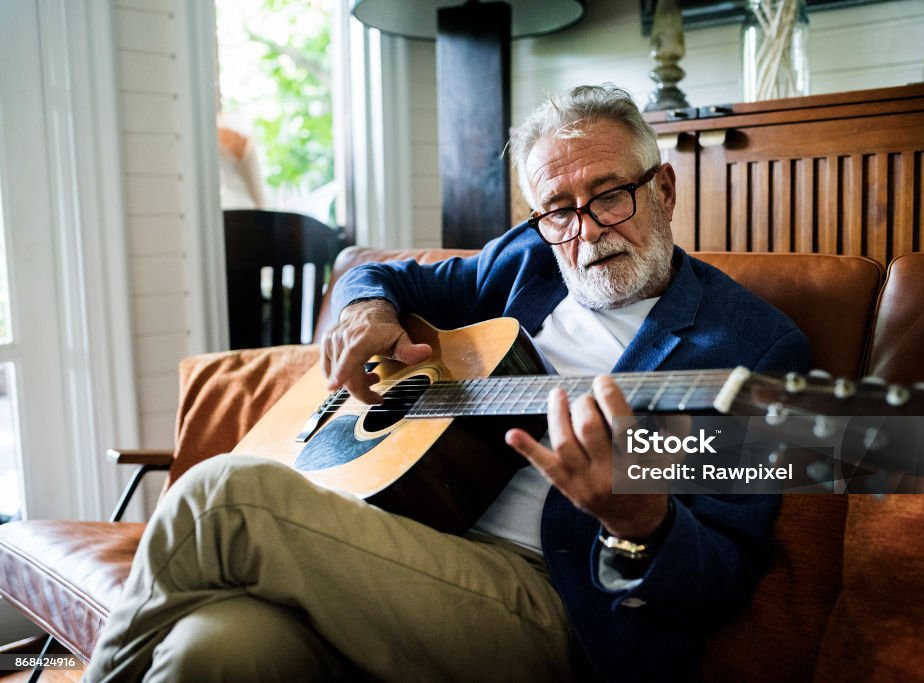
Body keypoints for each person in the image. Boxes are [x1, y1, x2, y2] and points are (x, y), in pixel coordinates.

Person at [84, 84, 809, 682]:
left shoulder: (750, 346)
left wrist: (641, 521)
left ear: (665, 188)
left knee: (222, 495)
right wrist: (366, 308)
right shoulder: (527, 258)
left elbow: (724, 574)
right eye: (559, 208)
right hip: (406, 540)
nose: (585, 231)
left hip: (557, 605)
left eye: (610, 193)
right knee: (211, 648)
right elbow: (383, 273)